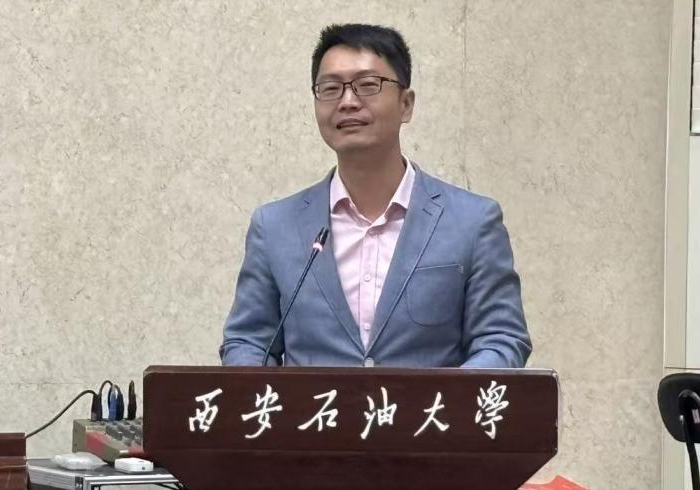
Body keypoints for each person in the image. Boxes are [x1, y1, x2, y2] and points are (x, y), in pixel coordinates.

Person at [220, 23, 531, 369]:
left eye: (367, 85)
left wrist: (448, 397)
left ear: (406, 104)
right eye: (330, 88)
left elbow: (501, 339)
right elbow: (248, 341)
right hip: (315, 407)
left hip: (431, 407)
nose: (347, 102)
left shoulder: (472, 222)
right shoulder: (274, 226)